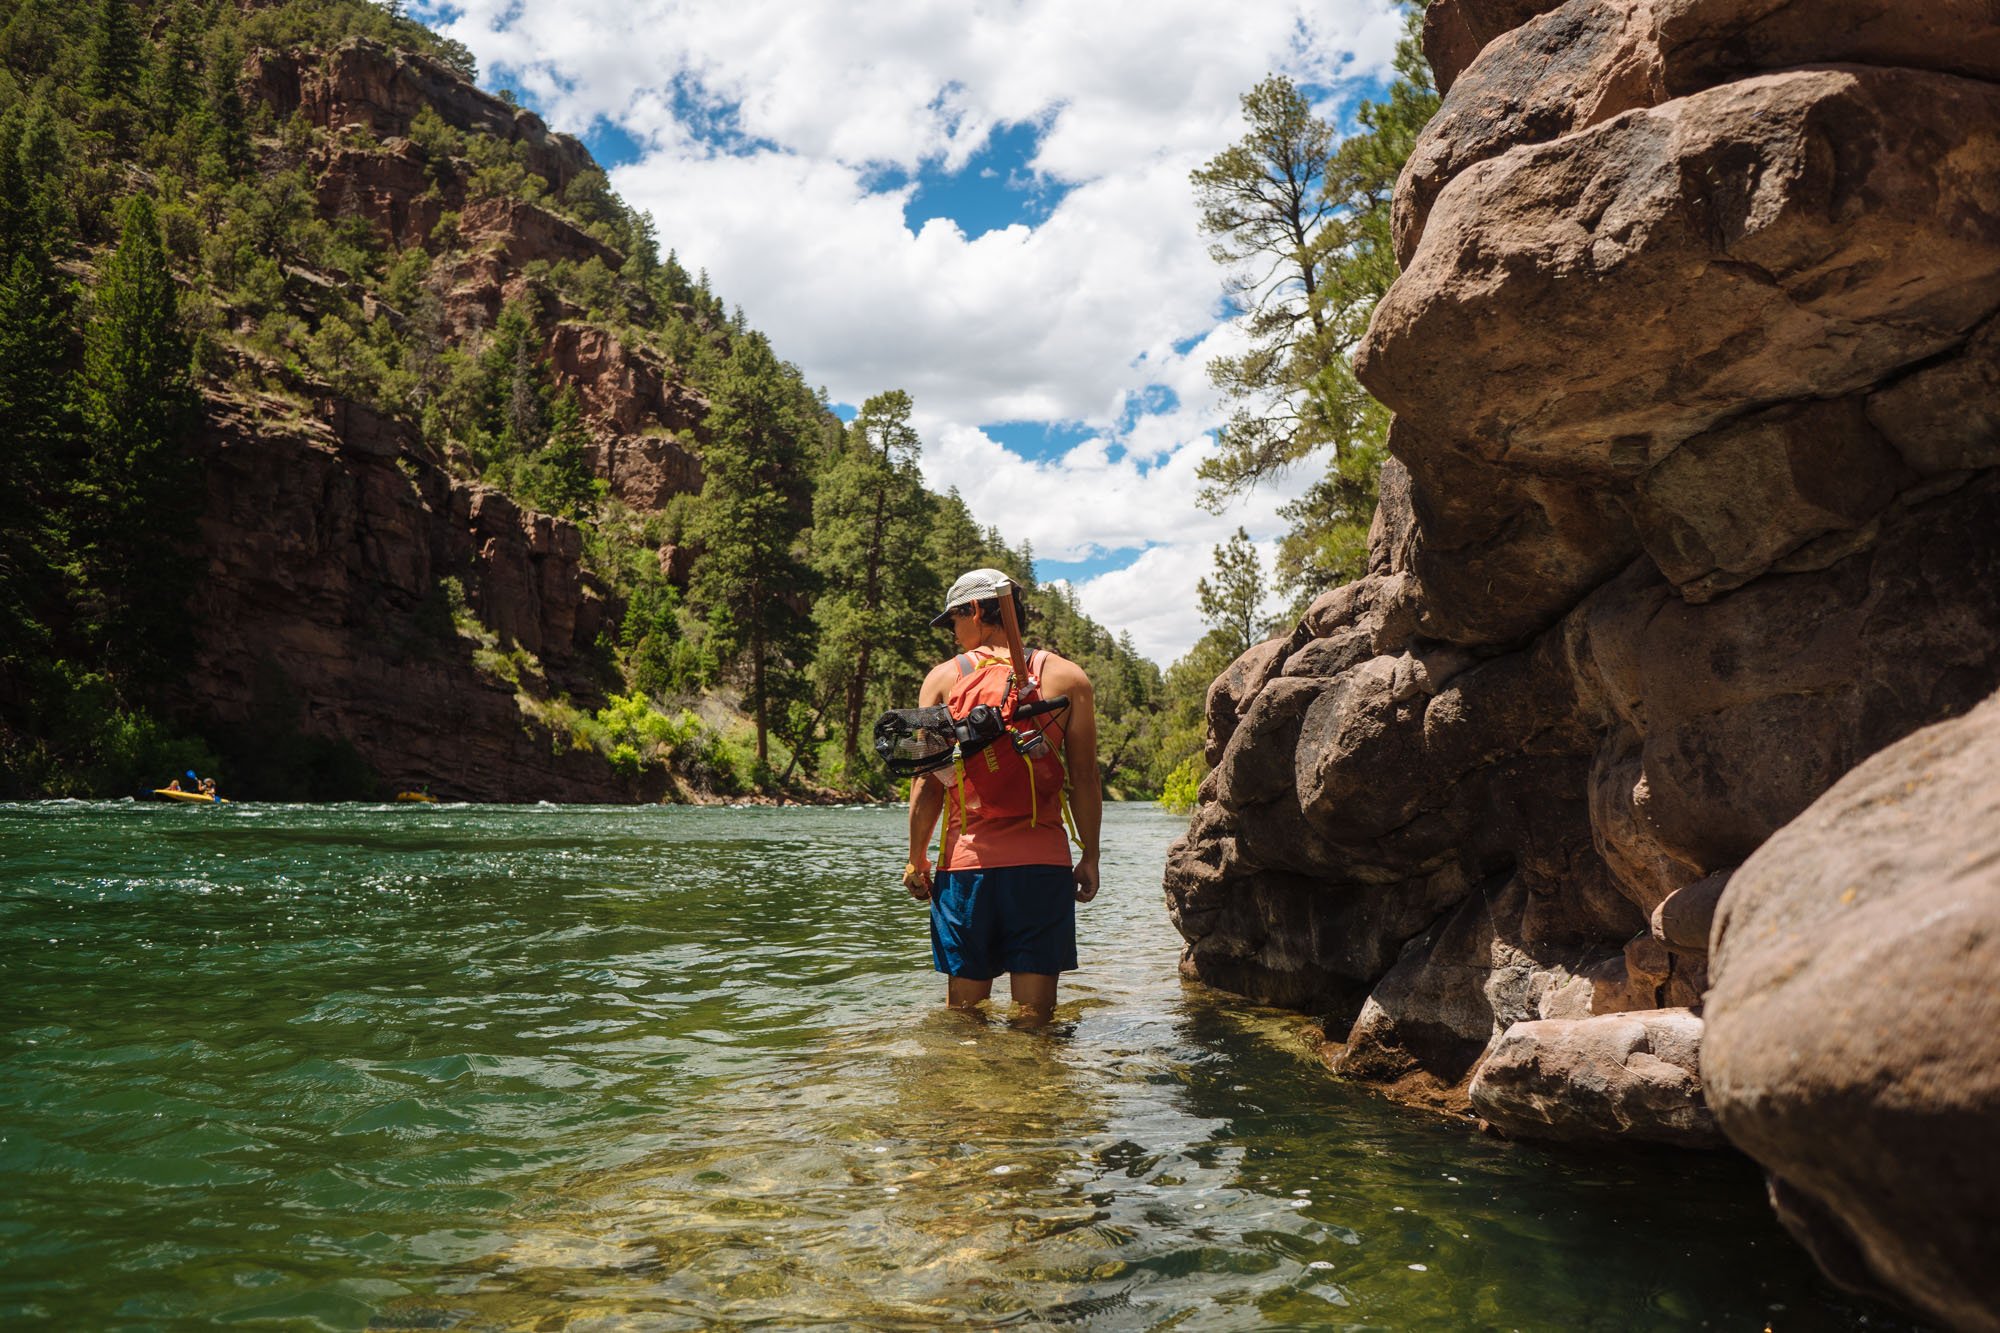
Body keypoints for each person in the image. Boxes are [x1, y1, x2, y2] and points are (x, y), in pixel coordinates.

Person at [902, 569, 1102, 1024]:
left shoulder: (941, 681)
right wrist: (1089, 855)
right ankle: (1037, 1092)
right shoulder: (1069, 678)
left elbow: (928, 784)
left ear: (975, 610)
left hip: (967, 872)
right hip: (1042, 867)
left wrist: (917, 858)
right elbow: (1085, 780)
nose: (953, 633)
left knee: (964, 1020)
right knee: (1035, 1021)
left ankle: (972, 1091)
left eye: (953, 620)